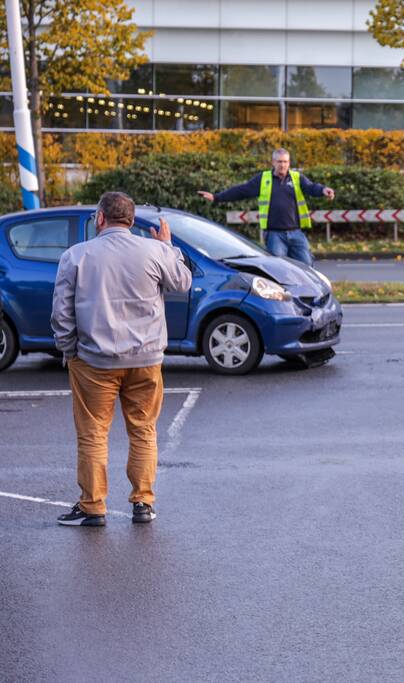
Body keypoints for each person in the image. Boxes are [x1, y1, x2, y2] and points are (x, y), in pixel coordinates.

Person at [50, 192, 192, 527]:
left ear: (100, 218)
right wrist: (170, 247)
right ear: (130, 220)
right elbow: (182, 282)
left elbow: (62, 313)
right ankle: (143, 502)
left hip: (94, 360)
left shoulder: (76, 256)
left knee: (93, 433)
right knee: (143, 429)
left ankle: (92, 506)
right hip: (146, 358)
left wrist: (69, 350)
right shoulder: (155, 251)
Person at [198, 148, 335, 265]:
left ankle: (307, 295)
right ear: (273, 162)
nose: (282, 165)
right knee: (277, 269)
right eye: (279, 162)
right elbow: (242, 191)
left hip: (296, 233)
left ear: (289, 163)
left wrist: (323, 190)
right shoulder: (263, 179)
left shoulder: (296, 178)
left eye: (285, 162)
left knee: (307, 266)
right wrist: (217, 197)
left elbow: (311, 187)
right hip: (274, 235)